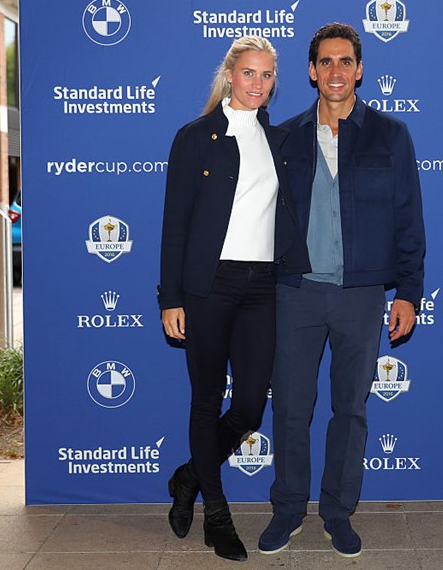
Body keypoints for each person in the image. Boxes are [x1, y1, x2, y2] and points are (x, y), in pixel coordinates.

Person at [258, 23, 426, 558]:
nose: (335, 71)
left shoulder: (390, 135)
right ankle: (288, 510)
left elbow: (409, 220)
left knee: (350, 409)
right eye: (325, 62)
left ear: (359, 69)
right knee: (289, 408)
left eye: (345, 61)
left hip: (361, 295)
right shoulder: (282, 138)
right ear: (311, 71)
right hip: (296, 292)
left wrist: (409, 293)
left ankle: (337, 512)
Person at [159, 35, 308, 562]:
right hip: (208, 286)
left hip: (261, 285)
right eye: (249, 73)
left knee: (247, 405)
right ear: (230, 74)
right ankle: (216, 514)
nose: (259, 84)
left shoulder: (277, 136)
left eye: (268, 75)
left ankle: (188, 477)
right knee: (206, 401)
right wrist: (169, 297)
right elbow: (174, 224)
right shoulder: (195, 137)